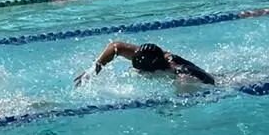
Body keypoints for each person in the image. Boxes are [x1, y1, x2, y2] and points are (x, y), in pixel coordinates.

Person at [75, 41, 215, 87]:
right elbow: (116, 47)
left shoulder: (182, 74)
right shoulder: (149, 55)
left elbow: (209, 81)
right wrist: (93, 71)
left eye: (141, 71)